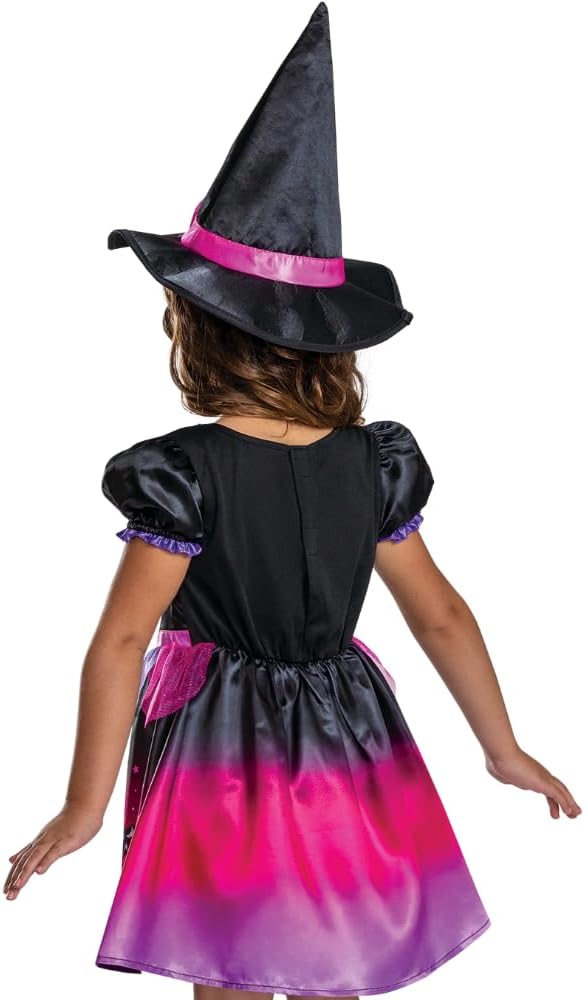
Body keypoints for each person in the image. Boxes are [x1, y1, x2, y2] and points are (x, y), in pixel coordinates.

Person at [4, 4, 580, 999]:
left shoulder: (182, 473)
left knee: (230, 963)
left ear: (196, 331)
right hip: (347, 738)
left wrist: (82, 807)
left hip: (221, 748)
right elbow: (440, 613)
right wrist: (502, 748)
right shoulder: (373, 463)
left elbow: (121, 639)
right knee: (330, 949)